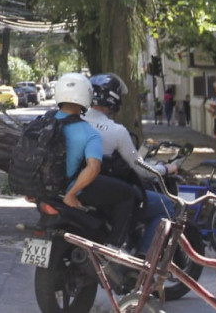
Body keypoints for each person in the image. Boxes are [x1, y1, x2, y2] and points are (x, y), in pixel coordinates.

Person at [86, 73, 176, 255]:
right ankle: (144, 259)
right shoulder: (116, 131)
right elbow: (141, 170)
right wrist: (166, 168)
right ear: (114, 99)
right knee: (166, 205)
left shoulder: (73, 122)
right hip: (106, 195)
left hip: (77, 191)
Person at [53, 73, 138, 249]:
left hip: (51, 184)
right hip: (76, 186)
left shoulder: (52, 120)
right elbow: (93, 168)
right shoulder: (102, 131)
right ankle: (114, 247)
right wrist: (72, 193)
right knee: (128, 193)